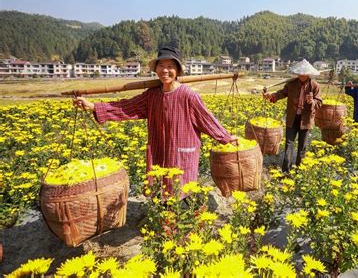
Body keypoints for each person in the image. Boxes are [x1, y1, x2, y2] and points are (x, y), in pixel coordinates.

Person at [73, 46, 237, 197]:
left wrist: (226, 138)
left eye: (170, 66)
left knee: (182, 190)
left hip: (182, 152)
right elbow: (127, 107)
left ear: (178, 70)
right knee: (160, 187)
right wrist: (93, 106)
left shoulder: (188, 96)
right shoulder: (151, 95)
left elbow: (207, 119)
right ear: (156, 69)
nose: (165, 70)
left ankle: (181, 222)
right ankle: (163, 218)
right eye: (161, 66)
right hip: (159, 149)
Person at [263, 59, 322, 172]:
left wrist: (312, 102)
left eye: (304, 73)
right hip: (292, 118)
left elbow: (319, 103)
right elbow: (281, 93)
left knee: (302, 147)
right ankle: (286, 170)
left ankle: (299, 170)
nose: (302, 75)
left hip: (305, 120)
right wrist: (270, 96)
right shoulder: (291, 84)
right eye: (300, 73)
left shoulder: (314, 86)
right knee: (289, 144)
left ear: (308, 73)